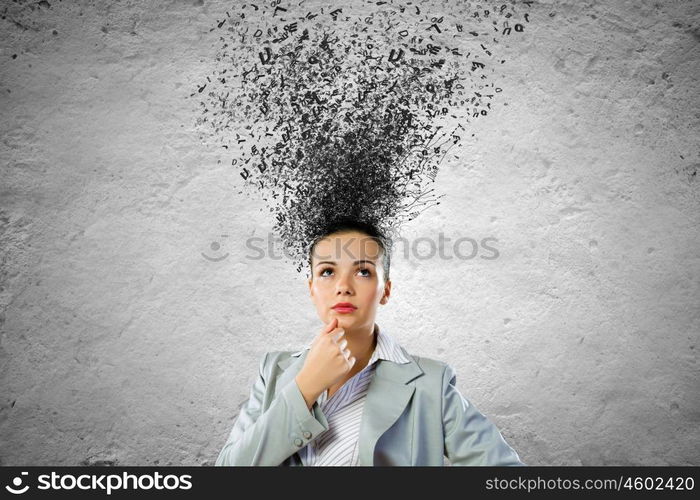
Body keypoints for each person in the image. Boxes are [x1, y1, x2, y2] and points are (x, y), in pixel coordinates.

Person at [215, 218, 524, 466]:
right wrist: (305, 387)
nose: (343, 287)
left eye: (363, 271)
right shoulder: (274, 370)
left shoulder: (430, 383)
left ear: (385, 290)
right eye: (327, 272)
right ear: (311, 289)